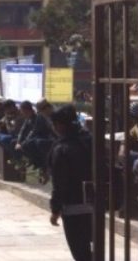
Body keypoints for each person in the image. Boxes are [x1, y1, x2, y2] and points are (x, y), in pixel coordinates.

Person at [48, 105, 93, 261]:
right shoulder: (89, 141)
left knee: (80, 252)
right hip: (94, 204)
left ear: (60, 125)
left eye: (54, 124)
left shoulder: (62, 148)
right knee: (93, 250)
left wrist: (55, 209)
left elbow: (59, 183)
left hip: (73, 207)